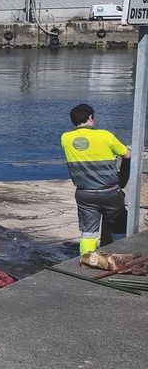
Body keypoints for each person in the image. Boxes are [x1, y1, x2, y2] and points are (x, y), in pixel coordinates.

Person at [60, 103, 131, 255]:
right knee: (119, 228)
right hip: (110, 192)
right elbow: (127, 154)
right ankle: (121, 256)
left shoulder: (65, 138)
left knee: (88, 232)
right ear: (90, 118)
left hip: (85, 193)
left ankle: (86, 260)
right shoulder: (105, 135)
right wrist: (121, 178)